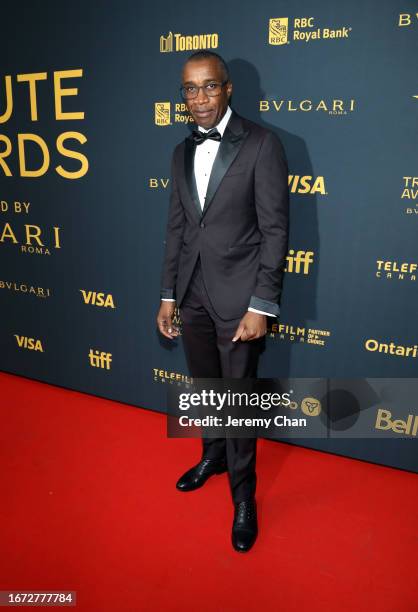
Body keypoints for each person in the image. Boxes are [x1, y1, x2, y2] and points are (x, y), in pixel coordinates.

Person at [156, 50, 289, 552]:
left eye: (209, 86)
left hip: (239, 301)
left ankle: (243, 496)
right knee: (206, 391)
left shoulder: (262, 144)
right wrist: (168, 294)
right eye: (190, 89)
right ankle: (211, 456)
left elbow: (276, 232)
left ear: (228, 87)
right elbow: (177, 229)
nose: (200, 98)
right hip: (191, 295)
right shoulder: (180, 151)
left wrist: (262, 303)